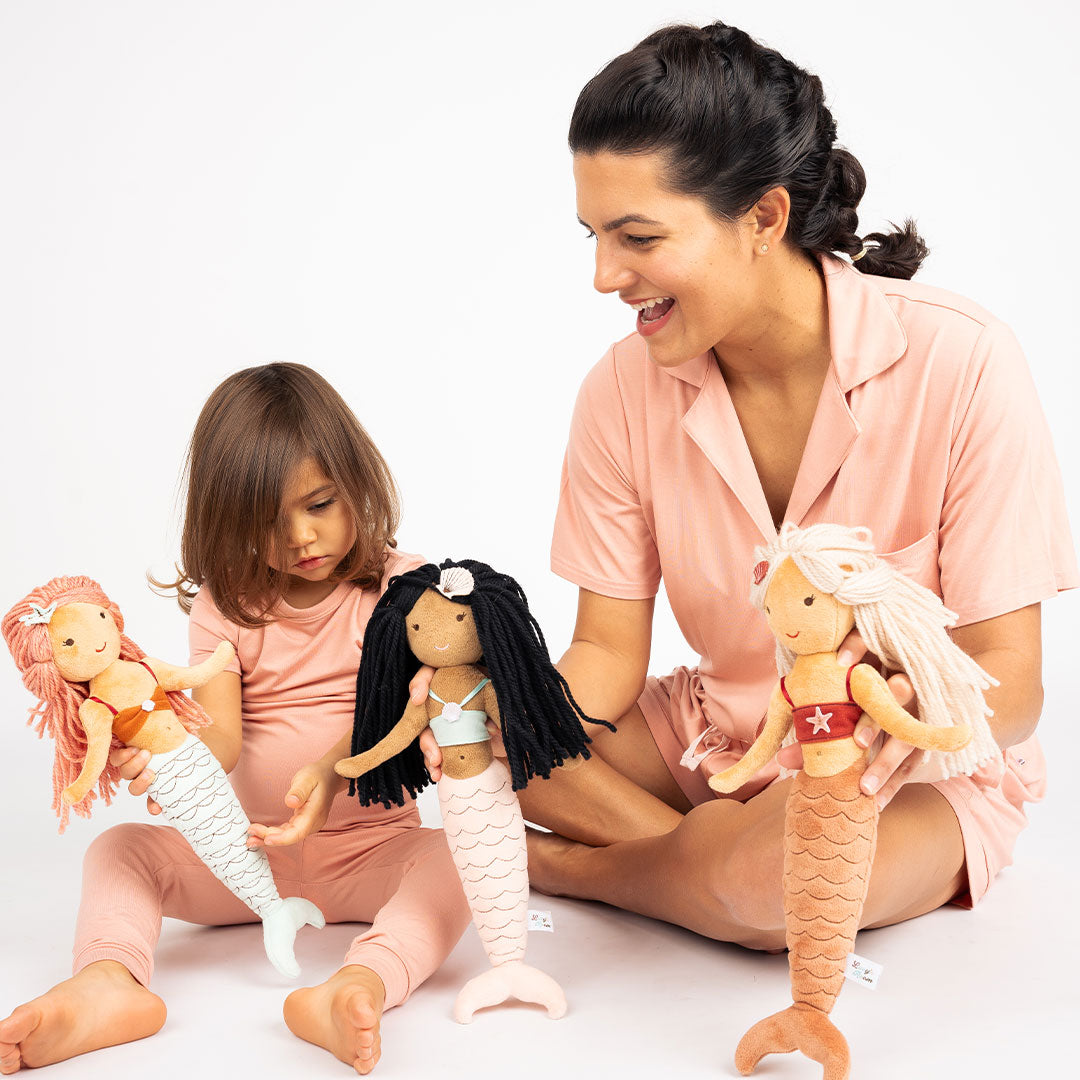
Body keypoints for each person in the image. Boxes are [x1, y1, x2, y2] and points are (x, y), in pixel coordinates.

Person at [425, 21, 1077, 949]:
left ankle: (586, 869)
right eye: (594, 235)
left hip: (903, 778)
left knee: (787, 889)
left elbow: (1012, 685)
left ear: (764, 219)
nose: (604, 275)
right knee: (473, 731)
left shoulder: (963, 360)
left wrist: (897, 718)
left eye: (637, 235)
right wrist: (505, 724)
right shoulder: (619, 388)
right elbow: (606, 654)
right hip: (709, 739)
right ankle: (705, 866)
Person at [0, 363, 470, 1076]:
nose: (304, 538)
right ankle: (108, 982)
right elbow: (218, 738)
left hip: (369, 848)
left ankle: (362, 980)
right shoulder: (229, 601)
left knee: (456, 854)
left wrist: (329, 769)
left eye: (320, 504)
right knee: (120, 849)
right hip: (247, 855)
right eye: (270, 523)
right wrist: (164, 751)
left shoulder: (401, 590)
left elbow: (404, 715)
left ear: (357, 480)